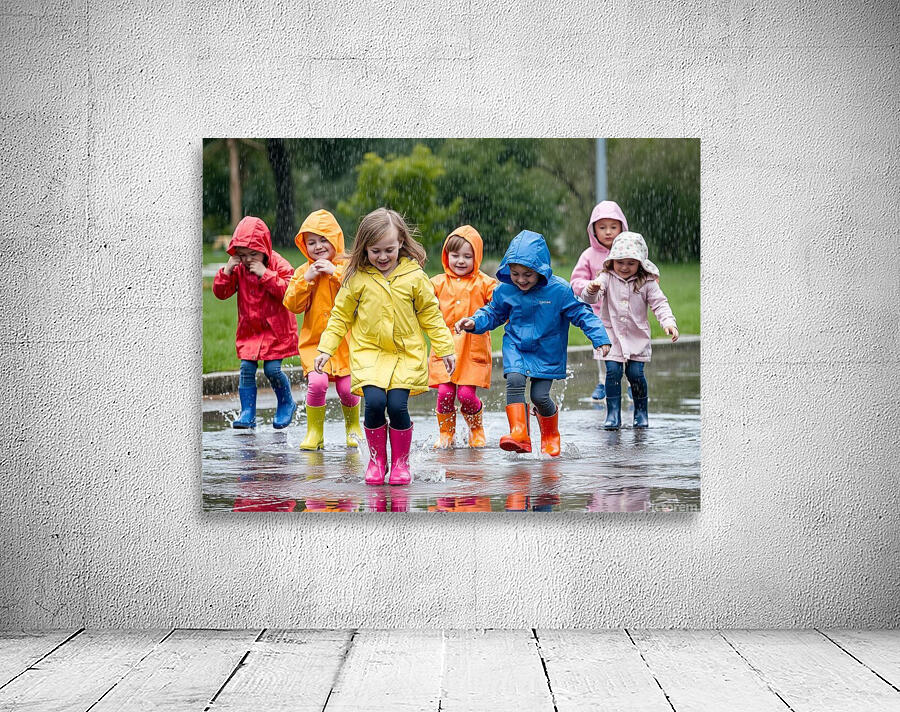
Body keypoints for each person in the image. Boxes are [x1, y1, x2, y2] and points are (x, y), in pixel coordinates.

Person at [314, 208, 456, 485]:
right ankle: (377, 461)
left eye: (389, 250)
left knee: (397, 405)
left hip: (405, 355)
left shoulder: (414, 277)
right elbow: (340, 316)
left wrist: (445, 348)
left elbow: (431, 314)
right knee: (376, 403)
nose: (382, 257)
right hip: (369, 354)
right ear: (364, 248)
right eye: (375, 251)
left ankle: (401, 463)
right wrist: (326, 349)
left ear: (401, 242)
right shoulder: (357, 278)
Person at [456, 230, 611, 457]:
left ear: (541, 269)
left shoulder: (559, 291)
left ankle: (550, 435)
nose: (521, 280)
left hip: (547, 351)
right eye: (515, 273)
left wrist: (600, 337)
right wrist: (474, 321)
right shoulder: (506, 290)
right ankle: (519, 433)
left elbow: (582, 314)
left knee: (539, 396)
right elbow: (492, 312)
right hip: (516, 346)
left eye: (528, 274)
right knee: (515, 380)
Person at [581, 231, 679, 429]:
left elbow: (660, 303)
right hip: (611, 336)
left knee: (635, 373)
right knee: (613, 371)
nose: (624, 267)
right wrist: (591, 290)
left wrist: (668, 322)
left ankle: (641, 412)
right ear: (612, 261)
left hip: (636, 335)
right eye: (620, 262)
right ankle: (613, 413)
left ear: (640, 264)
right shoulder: (606, 277)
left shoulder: (647, 282)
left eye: (631, 263)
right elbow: (591, 298)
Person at [283, 210, 362, 450]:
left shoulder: (347, 267)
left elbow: (359, 291)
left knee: (347, 389)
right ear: (304, 246)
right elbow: (292, 304)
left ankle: (353, 428)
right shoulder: (303, 272)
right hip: (315, 345)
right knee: (317, 384)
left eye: (323, 239)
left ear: (335, 239)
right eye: (311, 242)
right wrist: (307, 279)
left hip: (344, 344)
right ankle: (314, 432)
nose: (318, 246)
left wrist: (334, 272)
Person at [212, 216, 298, 429]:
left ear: (264, 249)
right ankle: (247, 412)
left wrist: (265, 274)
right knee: (246, 369)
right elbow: (221, 293)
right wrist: (227, 271)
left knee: (272, 370)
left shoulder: (278, 264)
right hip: (250, 330)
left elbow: (290, 292)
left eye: (253, 254)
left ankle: (286, 402)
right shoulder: (238, 268)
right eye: (242, 255)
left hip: (275, 330)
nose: (248, 260)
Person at [428, 225, 497, 448]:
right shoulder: (437, 283)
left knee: (466, 395)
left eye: (467, 256)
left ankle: (476, 428)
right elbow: (421, 300)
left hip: (472, 348)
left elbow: (500, 305)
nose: (460, 261)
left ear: (476, 257)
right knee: (445, 393)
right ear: (446, 255)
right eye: (455, 255)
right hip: (445, 347)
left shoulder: (485, 283)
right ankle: (446, 433)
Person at [568, 200, 629, 401]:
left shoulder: (630, 252)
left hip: (625, 311)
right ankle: (603, 382)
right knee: (602, 346)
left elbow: (643, 269)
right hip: (599, 312)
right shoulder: (589, 255)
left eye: (613, 227)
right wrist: (589, 286)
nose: (608, 232)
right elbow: (576, 281)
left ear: (622, 227)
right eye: (602, 227)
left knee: (629, 347)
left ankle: (630, 382)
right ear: (593, 229)